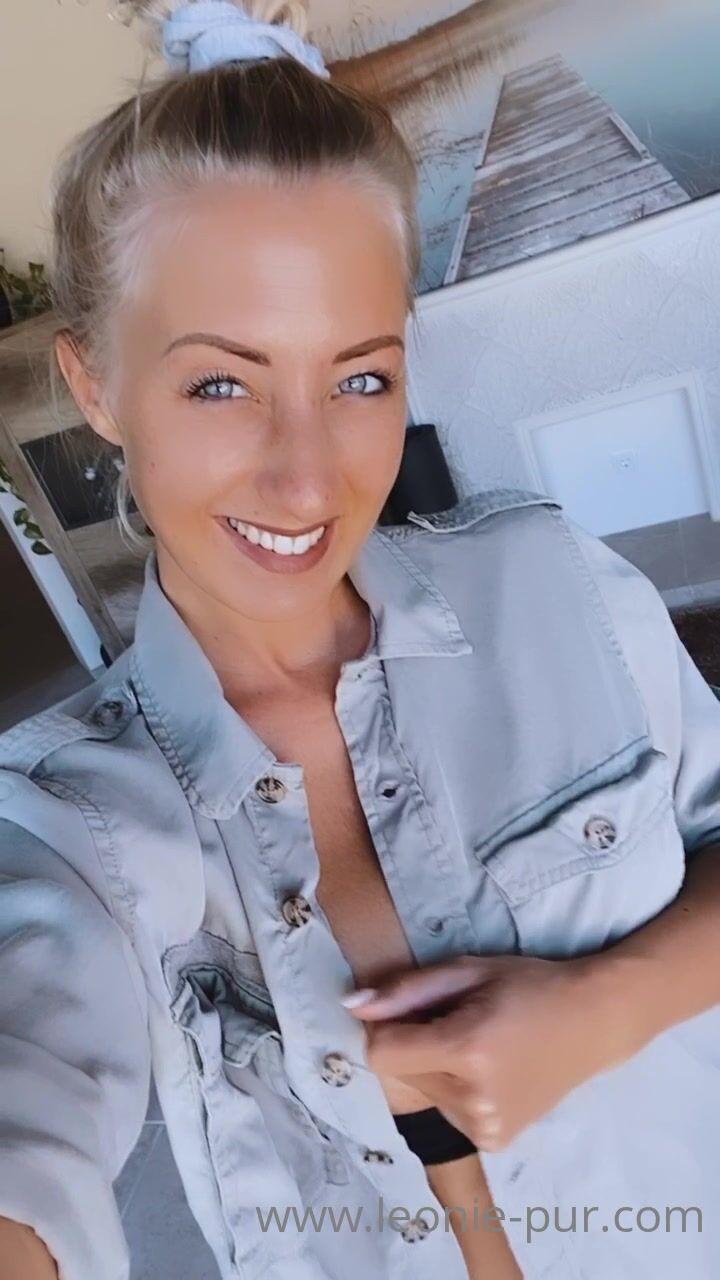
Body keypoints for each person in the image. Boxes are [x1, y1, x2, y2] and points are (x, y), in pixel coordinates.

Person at [1, 2, 720, 1277]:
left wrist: (606, 1006)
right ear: (96, 385)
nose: (306, 477)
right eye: (221, 382)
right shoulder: (72, 821)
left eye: (360, 377)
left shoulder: (551, 586)